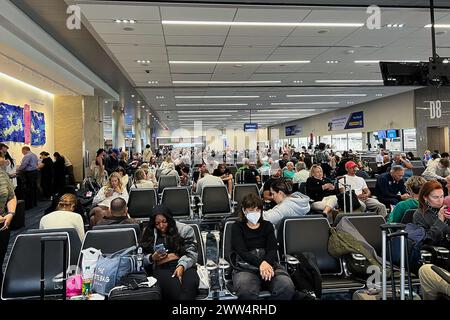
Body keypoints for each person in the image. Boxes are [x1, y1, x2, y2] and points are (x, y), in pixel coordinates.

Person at [231, 193, 295, 300]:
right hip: (246, 267)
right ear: (244, 210)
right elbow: (241, 251)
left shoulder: (267, 225)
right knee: (245, 290)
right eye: (251, 210)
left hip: (269, 264)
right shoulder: (237, 227)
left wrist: (265, 263)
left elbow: (272, 249)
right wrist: (261, 264)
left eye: (257, 210)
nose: (255, 213)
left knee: (286, 286)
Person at [140, 205, 199, 300]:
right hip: (162, 269)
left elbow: (192, 254)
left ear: (169, 219)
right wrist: (152, 257)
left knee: (189, 286)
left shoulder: (185, 230)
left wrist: (181, 266)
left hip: (186, 266)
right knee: (175, 290)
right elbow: (141, 259)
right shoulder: (149, 232)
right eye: (157, 223)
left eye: (164, 221)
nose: (161, 226)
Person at [413, 180, 450, 247]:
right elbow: (427, 241)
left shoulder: (446, 210)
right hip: (435, 252)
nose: (440, 200)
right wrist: (440, 221)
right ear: (425, 198)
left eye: (442, 196)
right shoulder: (419, 214)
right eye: (435, 197)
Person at [0, 152, 17, 286]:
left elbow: (11, 196)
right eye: (2, 156)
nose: (5, 160)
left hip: (3, 225)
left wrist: (11, 213)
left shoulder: (3, 174)